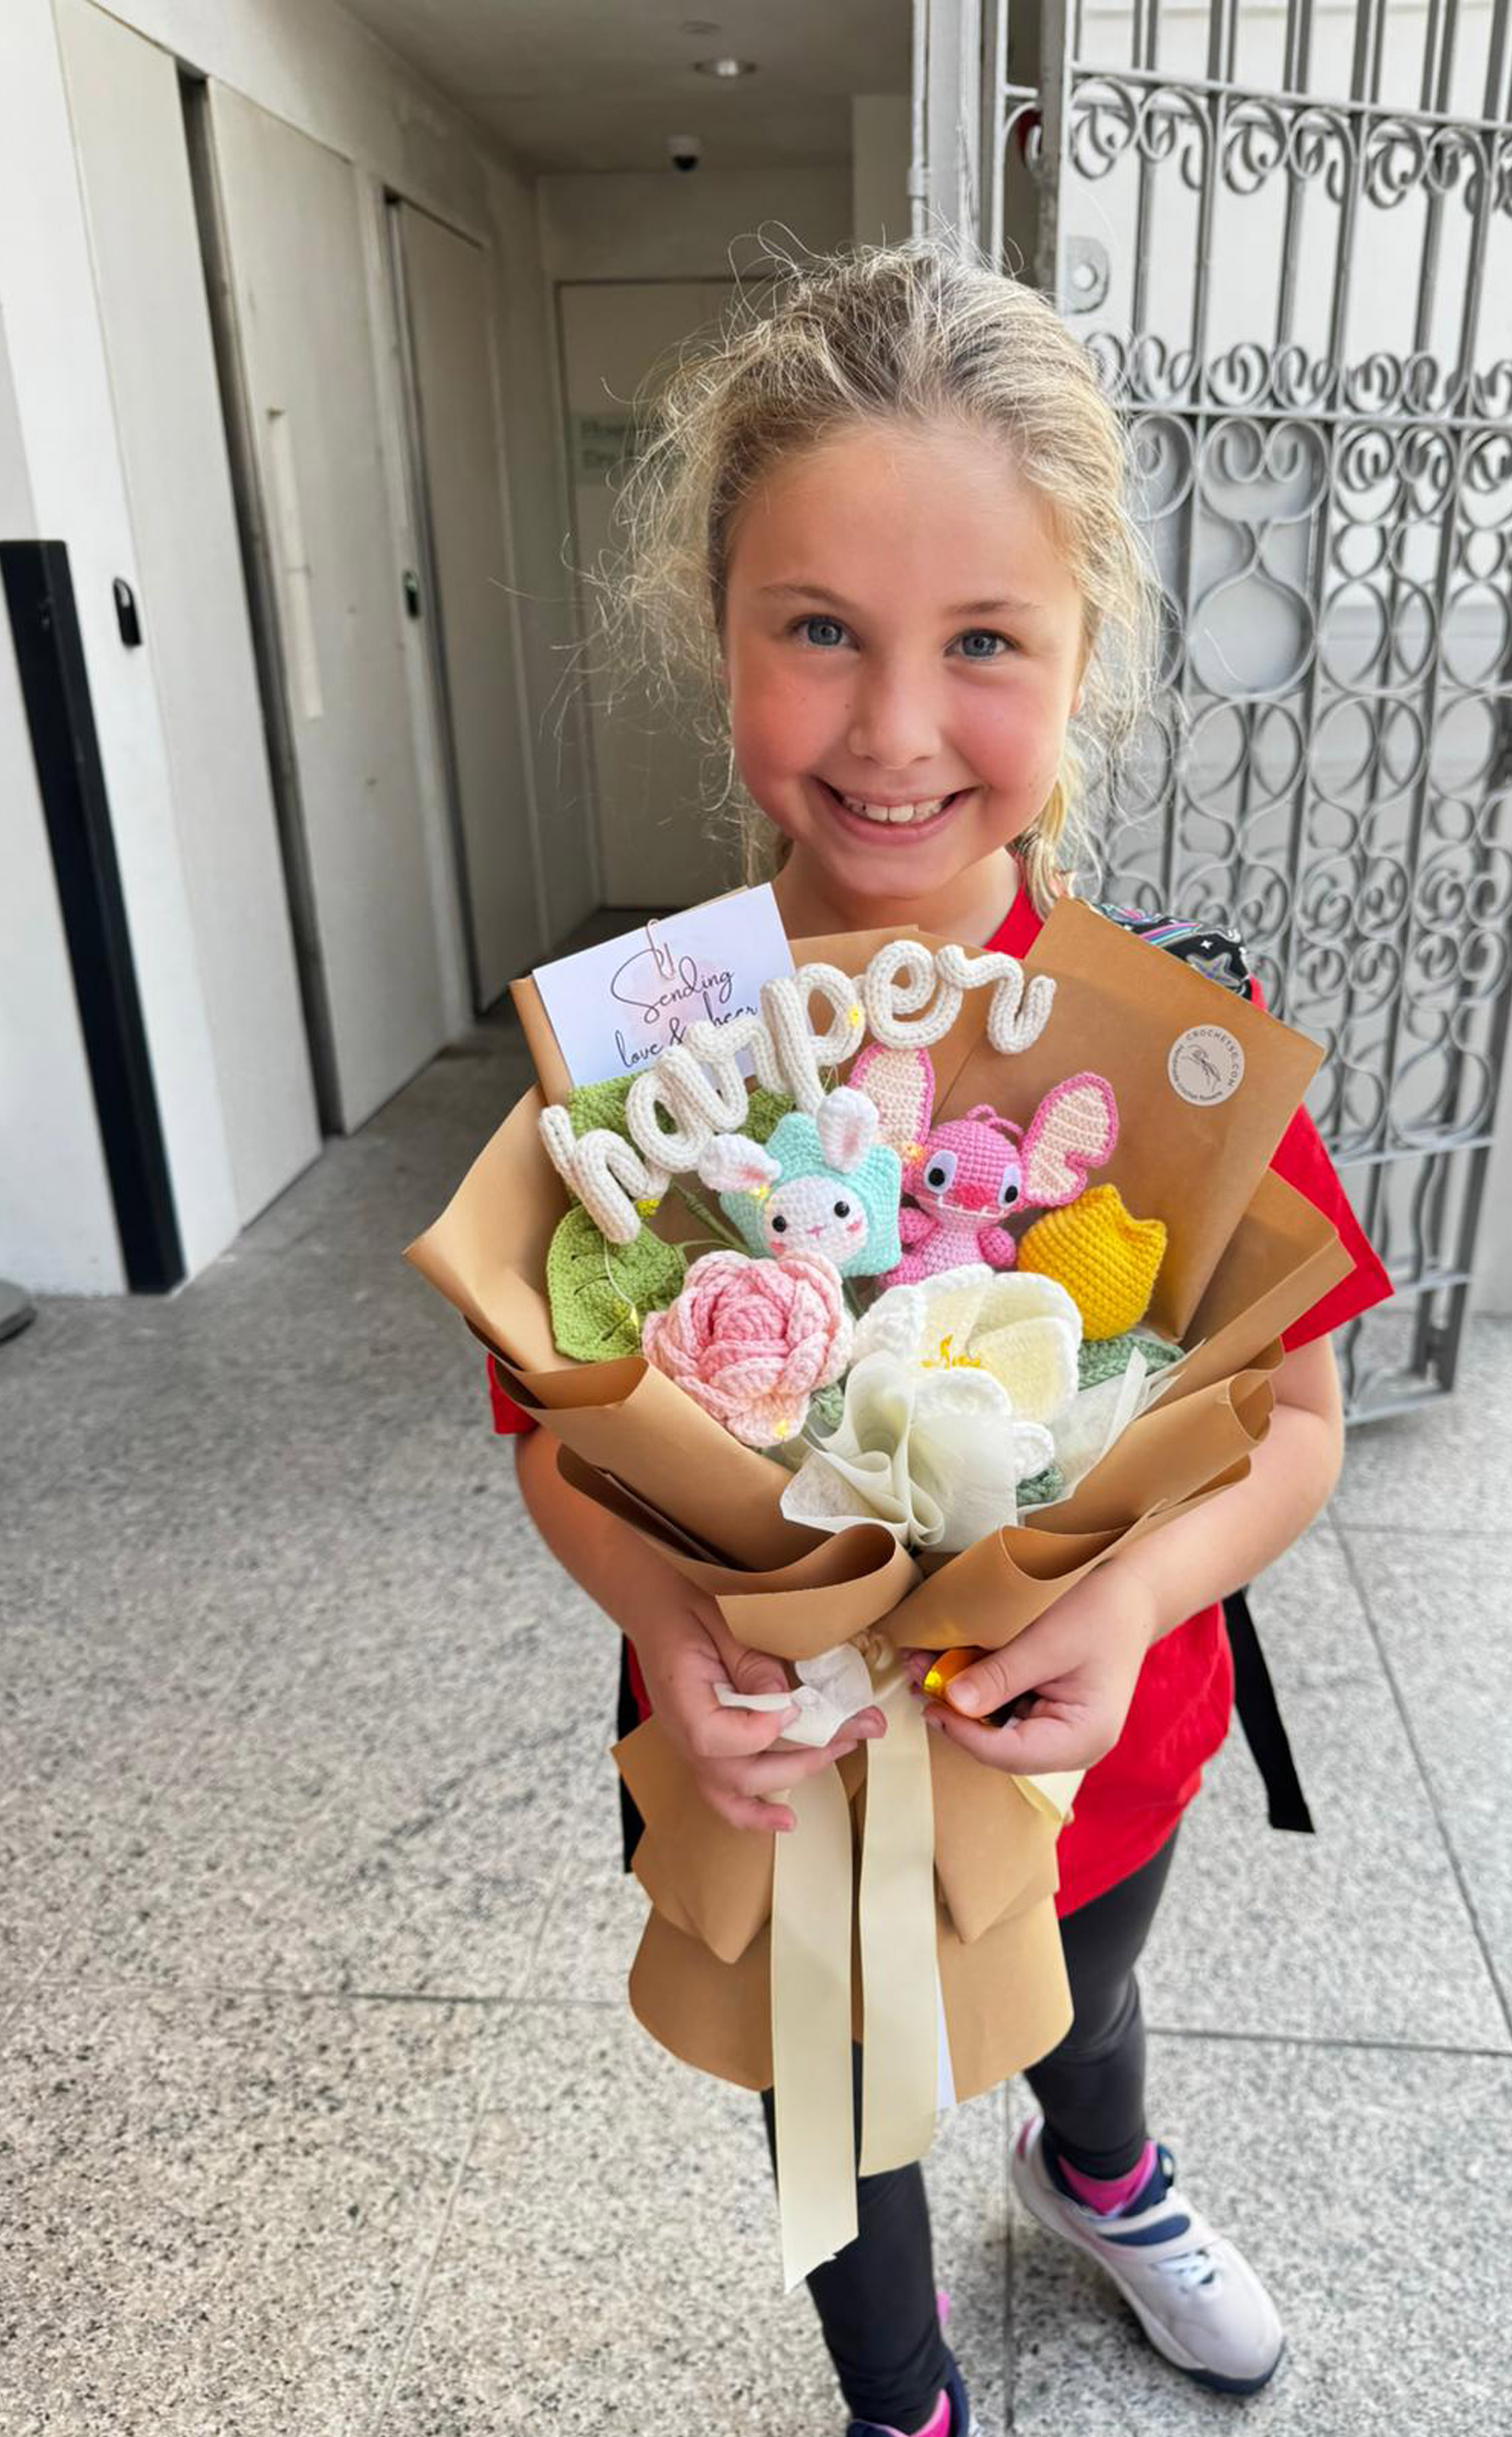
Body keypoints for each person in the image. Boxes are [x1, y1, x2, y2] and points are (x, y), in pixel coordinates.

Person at [499, 240, 1392, 2437]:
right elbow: (547, 1430)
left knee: (1085, 1981)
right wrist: (667, 1622)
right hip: (761, 1754)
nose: (895, 732)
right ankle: (898, 2398)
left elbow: (1298, 1422)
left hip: (1101, 1738)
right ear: (715, 627)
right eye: (818, 629)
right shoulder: (642, 1055)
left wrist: (1143, 1597)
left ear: (1085, 653)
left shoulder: (1180, 1050)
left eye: (983, 641)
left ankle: (1099, 2173)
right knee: (829, 2082)